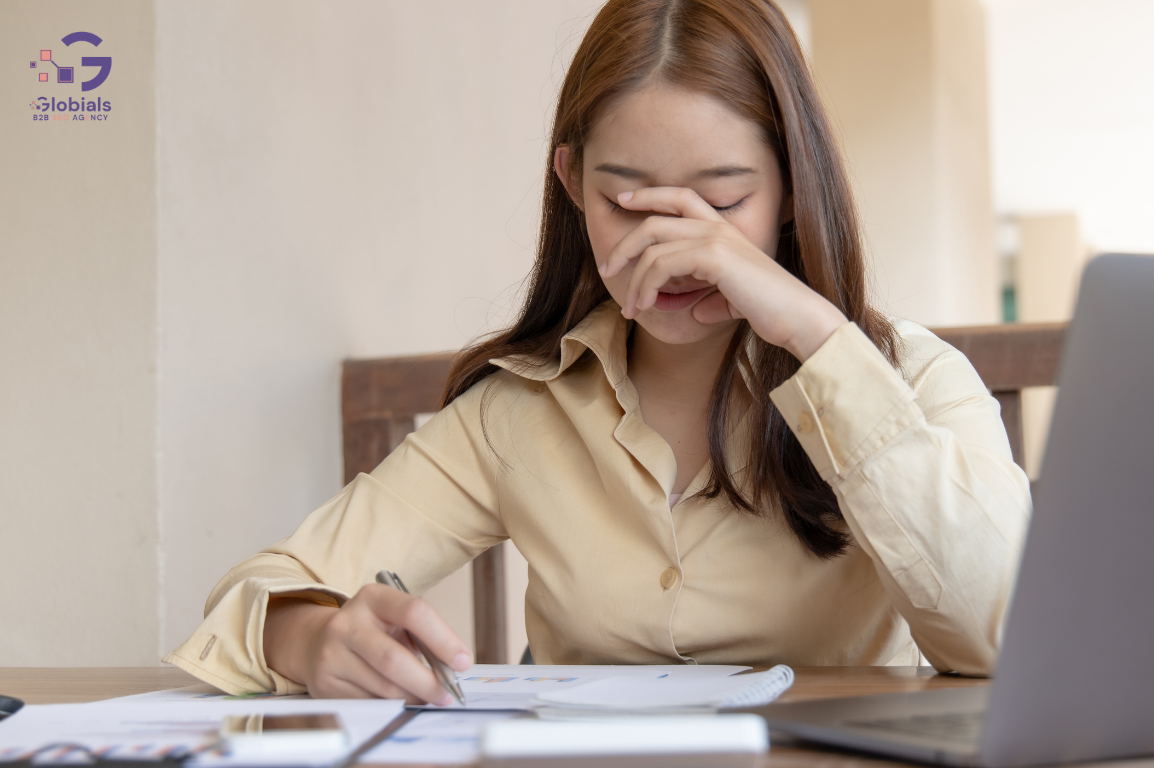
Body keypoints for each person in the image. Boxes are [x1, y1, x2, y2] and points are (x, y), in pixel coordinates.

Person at [165, 0, 1031, 705]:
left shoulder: (909, 377)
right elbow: (264, 586)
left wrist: (812, 336)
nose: (672, 248)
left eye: (721, 204)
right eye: (627, 202)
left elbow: (1010, 634)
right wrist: (314, 636)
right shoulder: (523, 411)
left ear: (793, 194)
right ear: (574, 184)